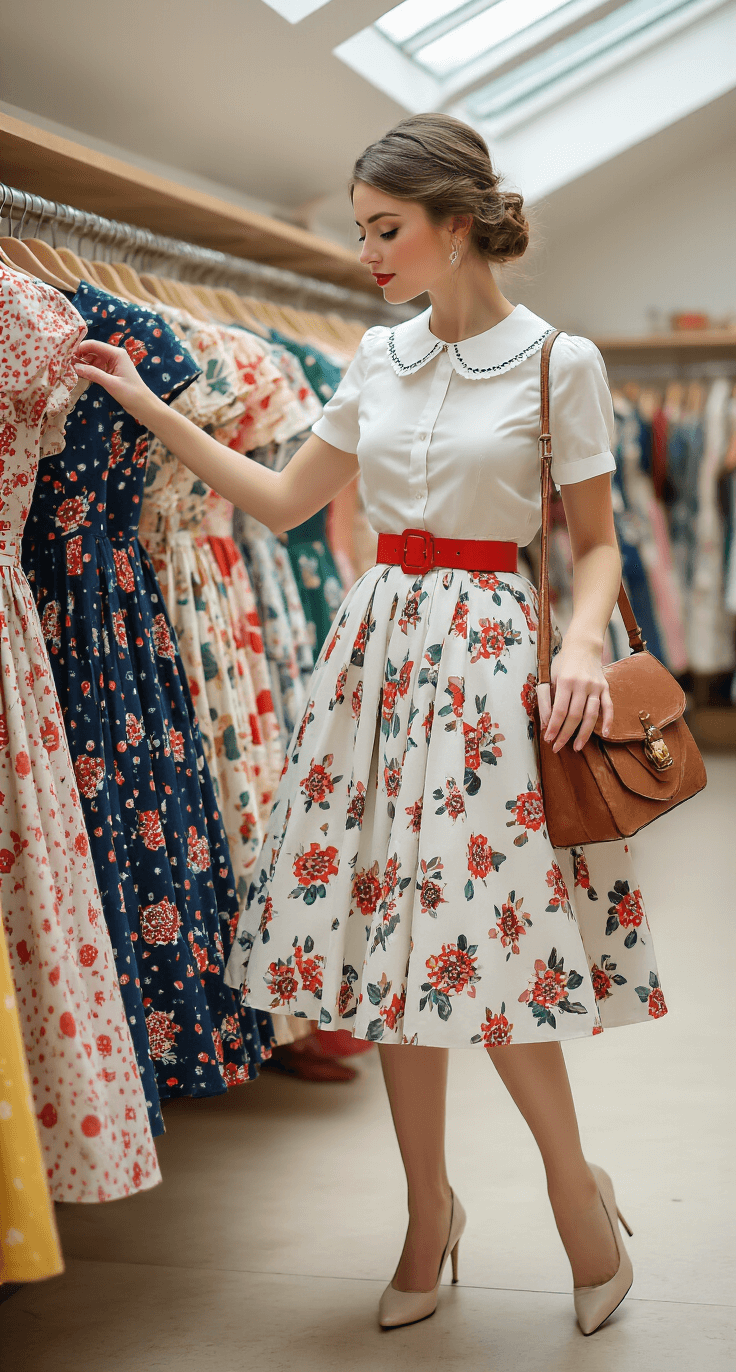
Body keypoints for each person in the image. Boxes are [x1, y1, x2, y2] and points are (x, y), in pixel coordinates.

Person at [73, 112, 665, 1337]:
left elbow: (596, 546)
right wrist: (152, 410)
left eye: (385, 230)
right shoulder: (375, 357)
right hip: (377, 665)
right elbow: (288, 501)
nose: (368, 254)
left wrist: (586, 645)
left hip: (498, 669)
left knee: (488, 960)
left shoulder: (563, 362)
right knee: (391, 961)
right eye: (360, 233)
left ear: (459, 224)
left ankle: (575, 1201)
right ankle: (423, 1213)